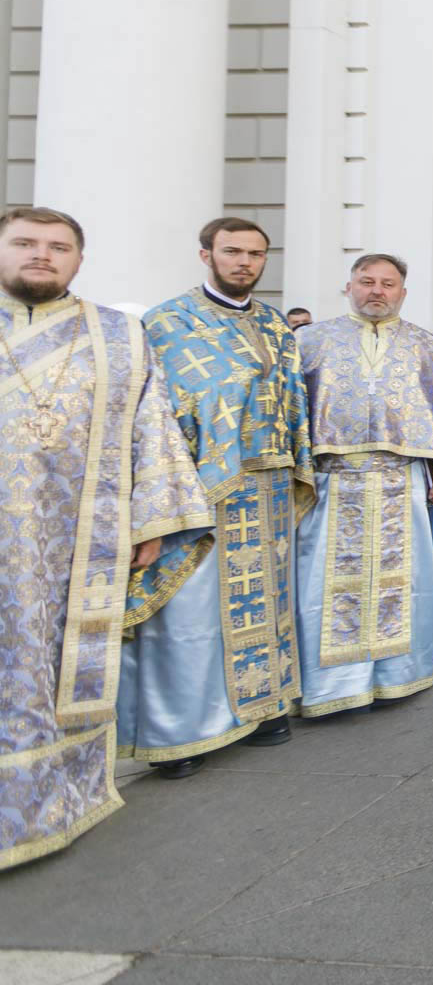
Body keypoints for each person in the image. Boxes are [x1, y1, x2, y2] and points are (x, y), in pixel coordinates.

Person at [0, 208, 210, 870]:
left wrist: (151, 519)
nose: (42, 255)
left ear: (78, 261)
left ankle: (59, 798)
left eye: (58, 247)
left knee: (54, 664)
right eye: (25, 244)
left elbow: (153, 424)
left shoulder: (118, 335)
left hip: (77, 541)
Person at [120, 217, 313, 779]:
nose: (244, 262)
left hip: (270, 485)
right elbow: (148, 418)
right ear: (206, 254)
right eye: (232, 252)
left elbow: (293, 402)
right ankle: (182, 732)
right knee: (193, 611)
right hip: (200, 491)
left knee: (268, 602)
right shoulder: (167, 323)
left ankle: (264, 707)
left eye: (255, 254)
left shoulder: (276, 325)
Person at [293, 254, 433, 714]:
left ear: (402, 292)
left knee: (403, 581)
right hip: (334, 482)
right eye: (367, 281)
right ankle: (334, 686)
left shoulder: (424, 345)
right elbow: (292, 413)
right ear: (348, 285)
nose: (377, 291)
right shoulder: (311, 341)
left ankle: (398, 675)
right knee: (326, 584)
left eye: (387, 284)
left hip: (400, 479)